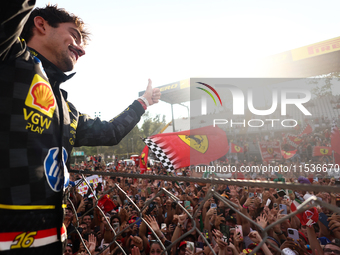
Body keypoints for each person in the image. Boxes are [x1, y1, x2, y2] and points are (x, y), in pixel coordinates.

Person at [0, 1, 161, 254]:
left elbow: (110, 132)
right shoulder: (9, 58)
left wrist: (142, 103)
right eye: (74, 35)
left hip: (51, 239)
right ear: (40, 24)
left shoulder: (67, 110)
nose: (82, 49)